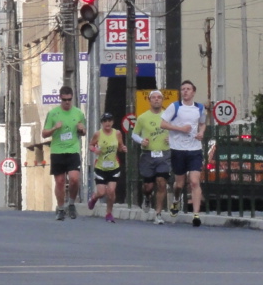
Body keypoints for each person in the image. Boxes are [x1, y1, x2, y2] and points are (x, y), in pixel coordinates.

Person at [160, 80, 207, 227]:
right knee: (179, 184)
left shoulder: (199, 108)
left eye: (188, 89)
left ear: (193, 92)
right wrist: (180, 129)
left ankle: (196, 215)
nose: (185, 91)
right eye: (183, 89)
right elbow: (162, 124)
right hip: (178, 149)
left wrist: (201, 132)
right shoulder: (175, 106)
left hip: (195, 149)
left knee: (194, 181)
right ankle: (176, 200)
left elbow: (203, 123)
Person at [42, 85, 86, 221]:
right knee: (60, 181)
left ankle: (71, 203)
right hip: (57, 151)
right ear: (60, 98)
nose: (67, 102)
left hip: (72, 149)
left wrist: (82, 129)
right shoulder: (53, 113)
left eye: (69, 100)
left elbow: (83, 132)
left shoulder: (78, 113)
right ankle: (61, 208)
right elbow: (44, 134)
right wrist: (55, 128)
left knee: (74, 179)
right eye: (64, 100)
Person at [131, 90, 171, 225]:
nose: (156, 99)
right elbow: (134, 134)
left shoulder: (168, 117)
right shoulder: (143, 117)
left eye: (159, 97)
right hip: (148, 154)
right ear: (149, 100)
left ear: (162, 100)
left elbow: (176, 131)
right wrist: (141, 141)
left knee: (161, 182)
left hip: (164, 154)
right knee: (148, 186)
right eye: (153, 97)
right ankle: (147, 197)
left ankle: (158, 213)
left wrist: (171, 138)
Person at [87, 112, 127, 223]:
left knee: (111, 191)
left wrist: (123, 148)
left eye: (109, 121)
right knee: (101, 192)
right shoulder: (98, 134)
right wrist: (95, 149)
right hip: (100, 168)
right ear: (102, 123)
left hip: (114, 167)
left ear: (112, 122)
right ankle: (94, 198)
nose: (107, 123)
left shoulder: (117, 133)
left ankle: (109, 213)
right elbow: (90, 145)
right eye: (105, 121)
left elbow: (120, 146)